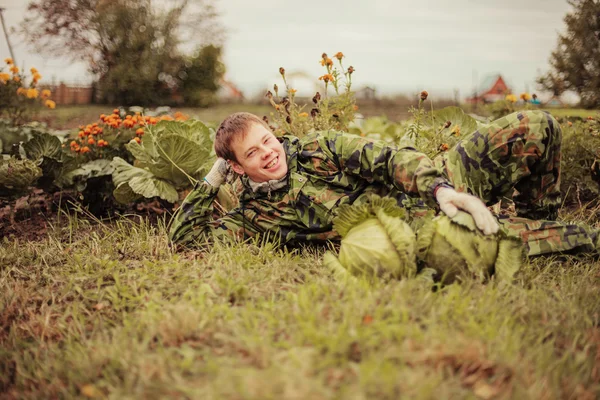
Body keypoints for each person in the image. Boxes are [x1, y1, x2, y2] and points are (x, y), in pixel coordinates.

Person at [169, 110, 599, 257]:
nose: (268, 151)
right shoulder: (253, 217)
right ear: (238, 168)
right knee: (573, 239)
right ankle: (527, 229)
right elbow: (185, 240)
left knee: (536, 125)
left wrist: (441, 188)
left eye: (267, 139)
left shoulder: (319, 146)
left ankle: (533, 214)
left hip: (438, 186)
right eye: (252, 153)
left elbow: (388, 159)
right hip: (424, 232)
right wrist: (213, 178)